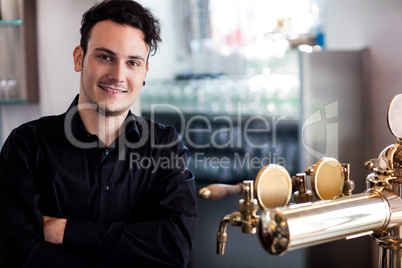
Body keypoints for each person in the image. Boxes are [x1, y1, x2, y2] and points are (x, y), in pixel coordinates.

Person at [0, 0, 197, 267]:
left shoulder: (166, 146)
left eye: (133, 63)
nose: (118, 75)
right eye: (105, 57)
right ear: (79, 58)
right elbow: (17, 254)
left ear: (145, 72)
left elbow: (174, 249)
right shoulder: (27, 145)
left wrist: (66, 231)